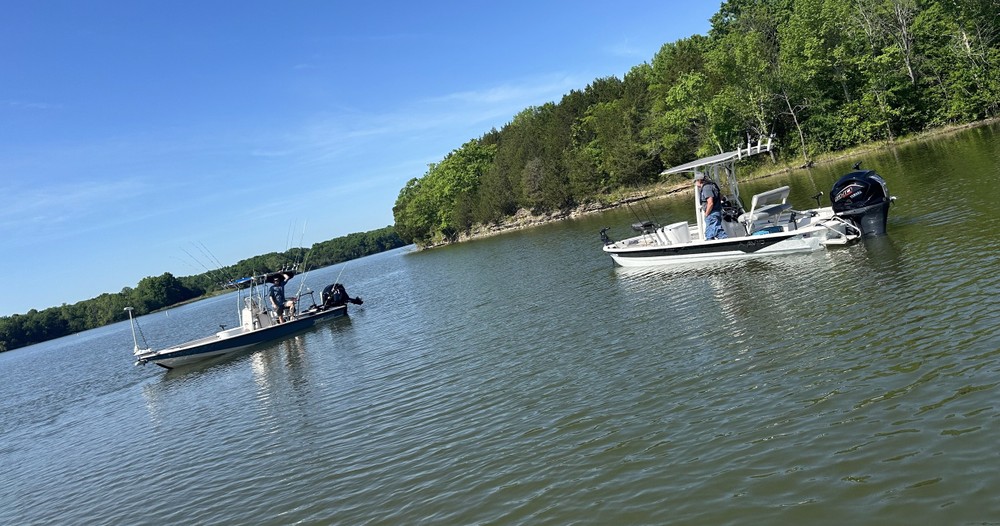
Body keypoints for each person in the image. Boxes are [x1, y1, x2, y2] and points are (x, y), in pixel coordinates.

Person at [695, 172, 728, 240]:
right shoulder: (712, 185)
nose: (695, 183)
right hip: (716, 212)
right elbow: (720, 196)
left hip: (712, 213)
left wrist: (706, 214)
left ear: (699, 180)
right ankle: (709, 244)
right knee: (709, 233)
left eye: (695, 181)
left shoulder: (706, 188)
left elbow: (710, 203)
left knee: (718, 232)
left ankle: (729, 243)